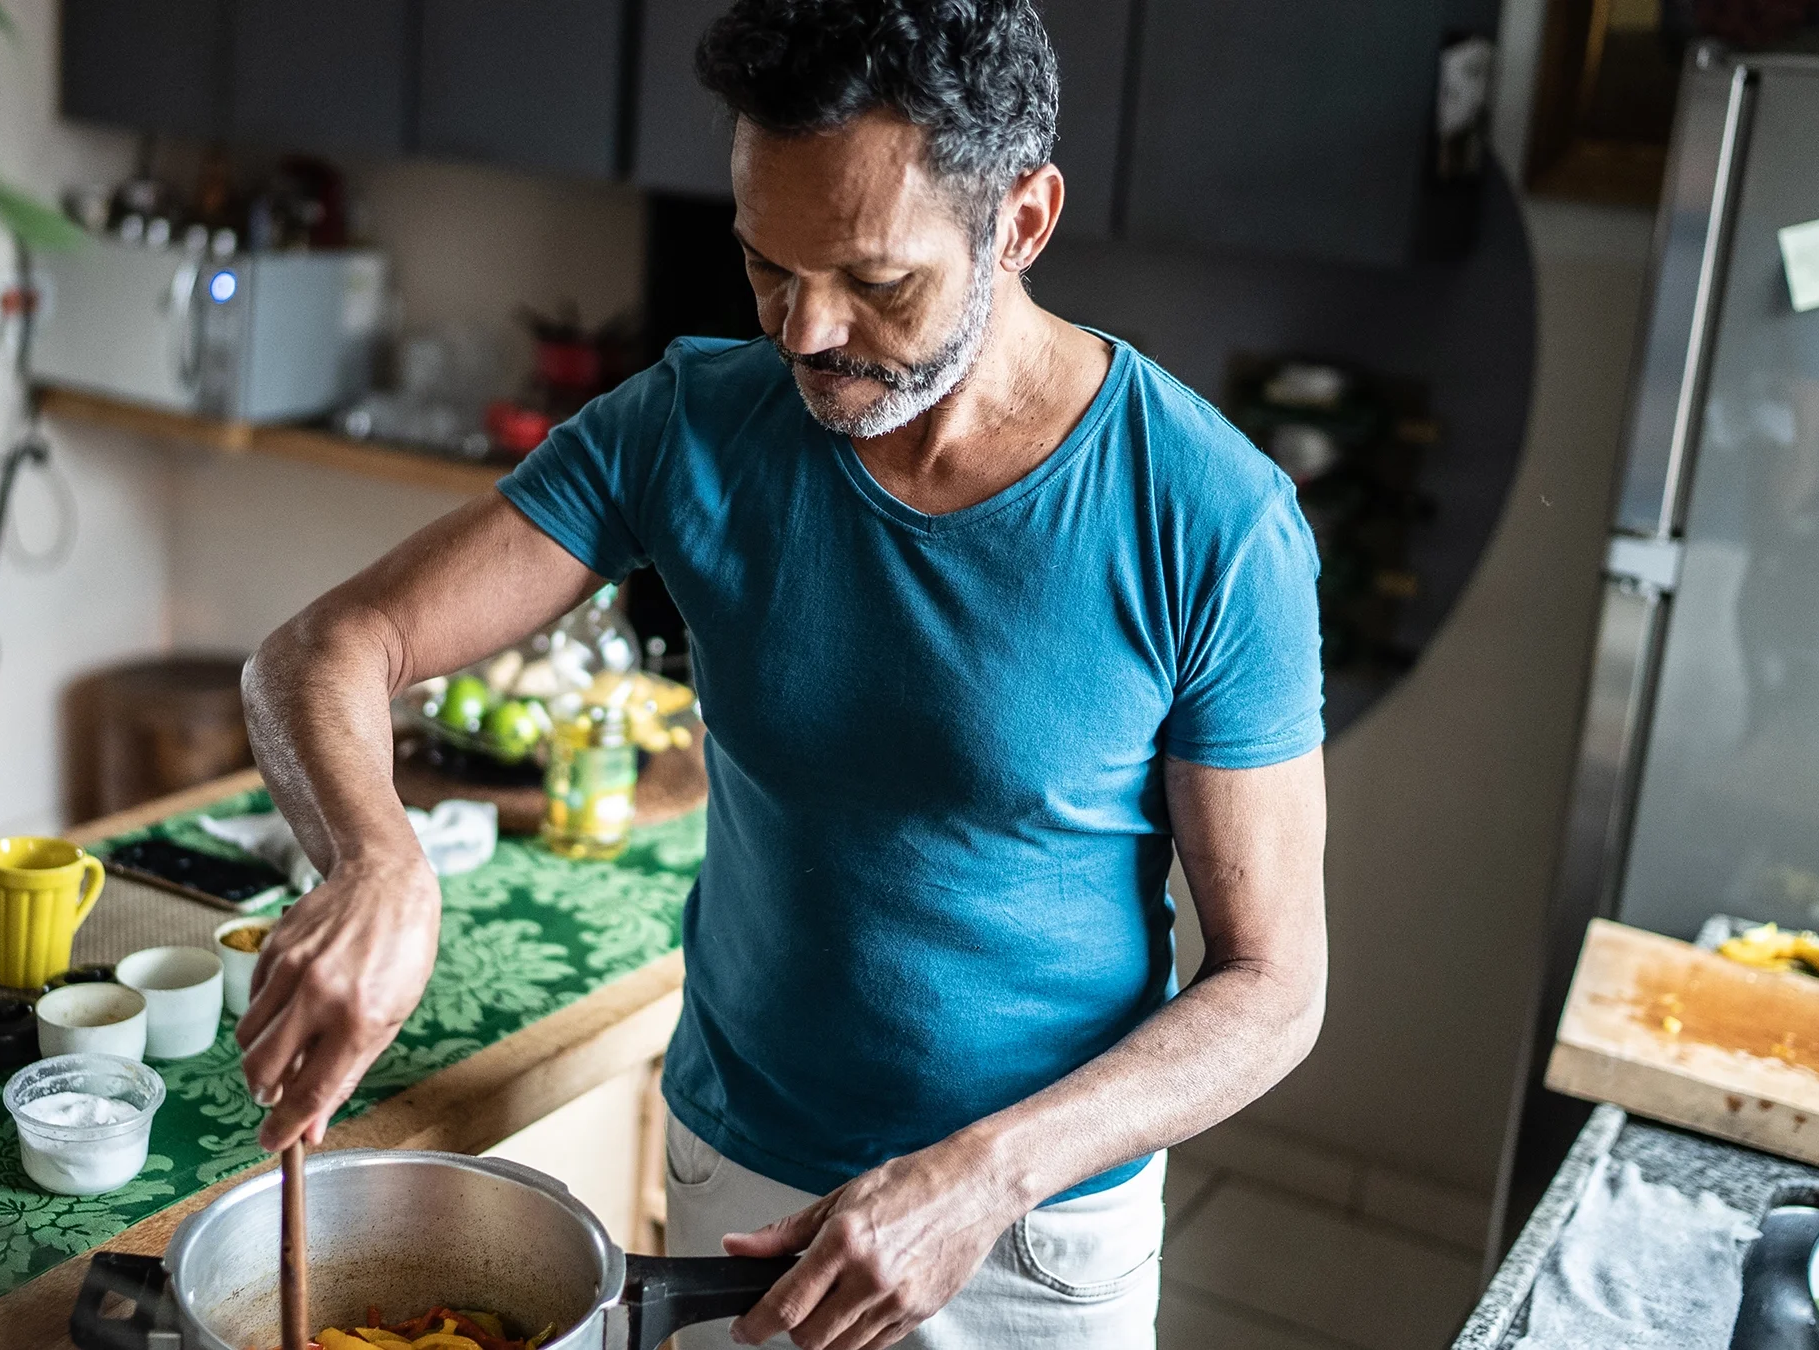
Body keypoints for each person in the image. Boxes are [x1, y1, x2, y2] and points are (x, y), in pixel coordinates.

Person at [235, 2, 1328, 1346]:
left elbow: (1275, 984)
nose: (805, 334)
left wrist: (986, 1171)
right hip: (740, 1174)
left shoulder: (1208, 516)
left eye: (877, 283)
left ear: (1023, 223)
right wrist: (374, 856)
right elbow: (325, 649)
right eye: (766, 268)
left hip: (1034, 1223)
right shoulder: (691, 424)